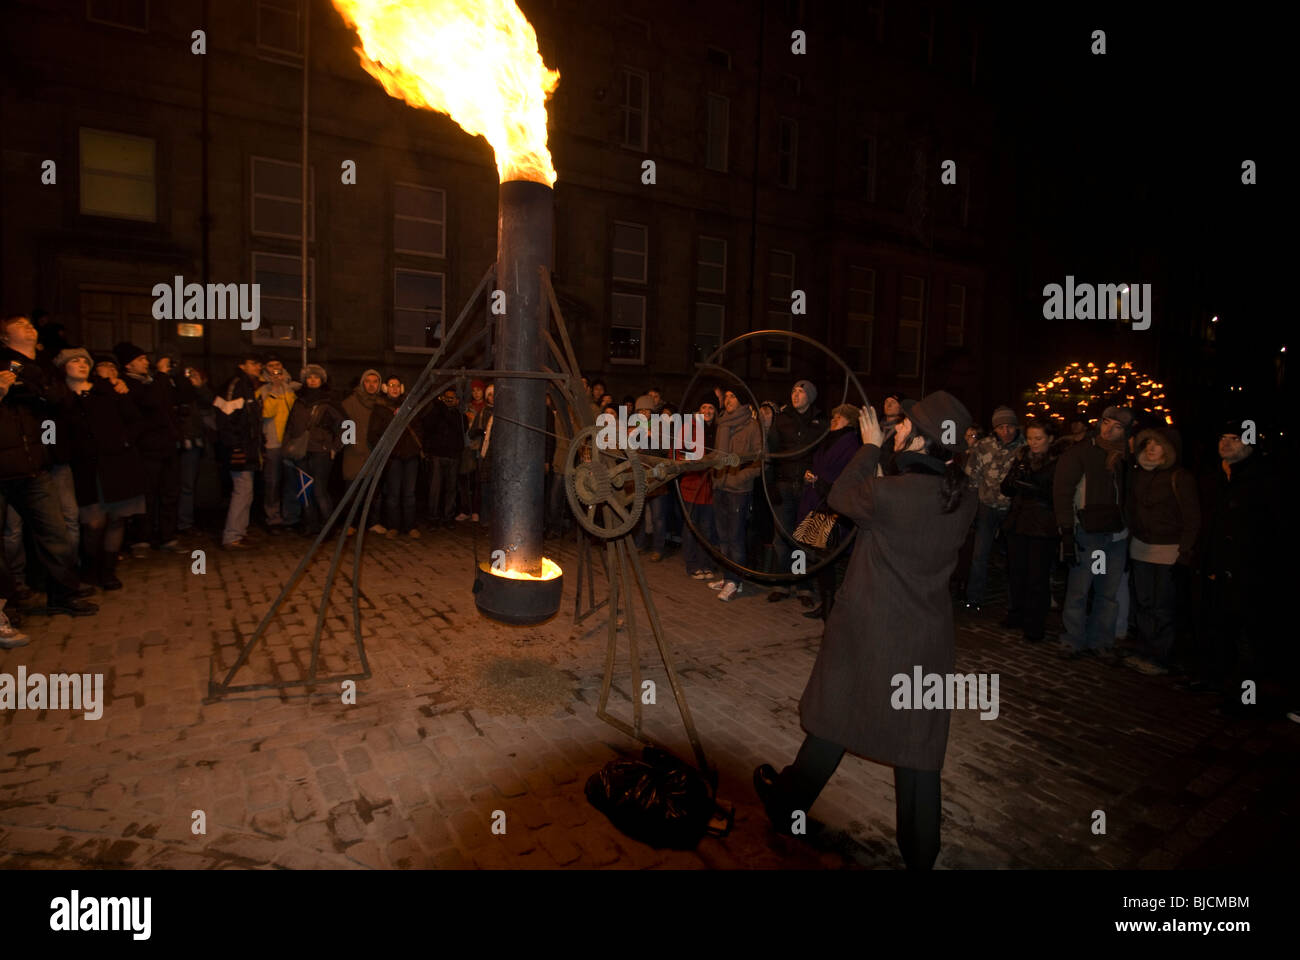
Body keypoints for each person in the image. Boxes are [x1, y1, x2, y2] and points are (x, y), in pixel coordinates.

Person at [754, 392, 977, 869]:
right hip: (925, 637)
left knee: (837, 718)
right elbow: (905, 517)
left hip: (872, 629)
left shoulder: (888, 494)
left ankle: (787, 804)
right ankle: (921, 852)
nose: (896, 429)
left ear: (919, 439)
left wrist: (872, 447)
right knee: (916, 745)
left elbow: (838, 496)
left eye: (903, 427)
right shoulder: (963, 497)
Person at [0, 315, 97, 616]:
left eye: (31, 324)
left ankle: (62, 594)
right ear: (4, 337)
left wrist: (37, 390)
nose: (29, 327)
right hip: (3, 464)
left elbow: (61, 400)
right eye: (20, 324)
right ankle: (10, 598)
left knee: (55, 532)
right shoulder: (4, 363)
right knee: (9, 535)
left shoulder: (41, 368)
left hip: (34, 465)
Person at [52, 347, 145, 591]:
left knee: (116, 519)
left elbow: (134, 419)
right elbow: (53, 430)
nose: (82, 364)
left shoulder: (106, 391)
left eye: (85, 361)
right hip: (84, 466)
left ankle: (108, 570)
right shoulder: (59, 396)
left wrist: (125, 441)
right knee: (93, 522)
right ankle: (90, 568)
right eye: (75, 361)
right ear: (64, 368)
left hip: (117, 462)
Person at [1053, 406, 1134, 661]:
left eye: (1117, 426)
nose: (1109, 430)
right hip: (1090, 532)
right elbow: (1063, 492)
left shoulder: (1128, 457)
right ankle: (1073, 639)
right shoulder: (1082, 452)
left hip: (1118, 535)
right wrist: (1066, 532)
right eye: (1106, 422)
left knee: (1108, 593)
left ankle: (1101, 640)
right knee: (1079, 589)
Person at [1124, 427, 1199, 675]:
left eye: (1157, 444)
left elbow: (1192, 518)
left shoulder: (1180, 477)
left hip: (1168, 550)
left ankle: (1161, 656)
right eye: (1148, 444)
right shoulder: (1138, 474)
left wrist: (1185, 552)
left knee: (1162, 606)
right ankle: (1144, 649)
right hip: (1140, 548)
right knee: (1144, 603)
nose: (1151, 448)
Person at [795, 403, 861, 620]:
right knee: (821, 559)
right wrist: (811, 476)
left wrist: (821, 482)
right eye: (834, 415)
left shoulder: (851, 444)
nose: (834, 419)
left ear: (849, 421)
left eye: (839, 417)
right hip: (820, 503)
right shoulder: (830, 439)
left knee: (828, 559)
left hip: (833, 506)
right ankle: (827, 604)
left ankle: (831, 607)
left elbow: (847, 475)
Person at [1000, 420, 1061, 643]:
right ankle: (1016, 614)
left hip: (1042, 526)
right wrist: (1016, 480)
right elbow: (1005, 488)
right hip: (1018, 522)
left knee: (1037, 577)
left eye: (1039, 438)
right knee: (1016, 572)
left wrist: (1032, 487)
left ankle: (1035, 624)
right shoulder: (1021, 457)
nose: (1033, 443)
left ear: (1050, 439)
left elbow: (1056, 493)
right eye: (1031, 438)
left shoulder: (1057, 461)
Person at [962, 406, 1024, 613]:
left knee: (1014, 557)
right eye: (1001, 427)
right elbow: (972, 477)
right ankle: (974, 597)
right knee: (980, 554)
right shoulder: (984, 446)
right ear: (995, 429)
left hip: (1012, 509)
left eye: (1010, 426)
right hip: (987, 506)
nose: (1006, 431)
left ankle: (1015, 602)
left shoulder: (1023, 447)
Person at [768, 380, 824, 605]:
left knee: (805, 538)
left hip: (808, 488)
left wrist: (816, 472)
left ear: (810, 396)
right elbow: (771, 452)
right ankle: (782, 582)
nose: (796, 394)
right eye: (793, 390)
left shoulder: (820, 421)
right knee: (783, 537)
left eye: (801, 392)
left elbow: (823, 453)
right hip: (784, 484)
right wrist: (771, 484)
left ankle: (802, 585)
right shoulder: (781, 419)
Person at [709, 389, 761, 602]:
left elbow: (759, 460)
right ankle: (728, 576)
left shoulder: (751, 426)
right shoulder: (723, 424)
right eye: (727, 397)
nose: (728, 400)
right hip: (720, 486)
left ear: (741, 401)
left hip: (738, 490)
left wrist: (739, 477)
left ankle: (734, 580)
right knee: (722, 535)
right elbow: (717, 454)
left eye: (733, 397)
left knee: (736, 536)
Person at [281, 364, 343, 537]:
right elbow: (290, 426)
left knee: (319, 490)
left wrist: (335, 447)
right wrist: (287, 446)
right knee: (304, 490)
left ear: (322, 380)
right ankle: (311, 525)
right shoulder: (299, 402)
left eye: (316, 377)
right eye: (310, 377)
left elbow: (348, 426)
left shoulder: (329, 401)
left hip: (321, 452)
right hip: (301, 452)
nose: (313, 380)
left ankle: (328, 527)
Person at [216, 352, 264, 550]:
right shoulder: (236, 385)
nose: (257, 367)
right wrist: (235, 446)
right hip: (240, 448)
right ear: (242, 365)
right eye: (253, 362)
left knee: (246, 491)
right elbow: (225, 418)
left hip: (248, 448)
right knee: (242, 490)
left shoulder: (249, 386)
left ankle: (239, 532)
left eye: (258, 363)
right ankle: (232, 535)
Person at [368, 376, 422, 538]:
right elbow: (374, 434)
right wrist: (386, 450)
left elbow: (419, 427)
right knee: (393, 493)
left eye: (397, 385)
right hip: (393, 457)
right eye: (391, 385)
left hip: (410, 455)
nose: (394, 388)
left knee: (409, 493)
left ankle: (410, 526)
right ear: (386, 388)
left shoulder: (410, 406)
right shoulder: (380, 408)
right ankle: (393, 526)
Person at [256, 355, 298, 534]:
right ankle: (273, 519)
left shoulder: (292, 388)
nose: (275, 369)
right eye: (271, 366)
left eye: (277, 365)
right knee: (272, 482)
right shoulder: (261, 391)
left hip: (290, 443)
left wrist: (284, 387)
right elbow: (265, 413)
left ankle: (291, 517)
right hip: (272, 442)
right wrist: (274, 390)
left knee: (291, 482)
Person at [341, 368, 386, 534]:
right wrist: (354, 445)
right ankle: (350, 524)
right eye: (368, 381)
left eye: (375, 382)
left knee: (373, 492)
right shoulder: (350, 402)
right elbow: (345, 427)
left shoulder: (381, 403)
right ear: (362, 383)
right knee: (352, 492)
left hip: (375, 453)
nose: (372, 385)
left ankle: (373, 522)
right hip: (354, 454)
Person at [424, 387, 464, 529]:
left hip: (453, 456)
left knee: (451, 489)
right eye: (446, 397)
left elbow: (458, 429)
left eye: (451, 397)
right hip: (437, 455)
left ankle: (448, 517)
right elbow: (427, 425)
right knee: (435, 489)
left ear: (457, 400)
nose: (448, 400)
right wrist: (439, 407)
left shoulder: (459, 416)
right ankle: (433, 517)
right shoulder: (436, 412)